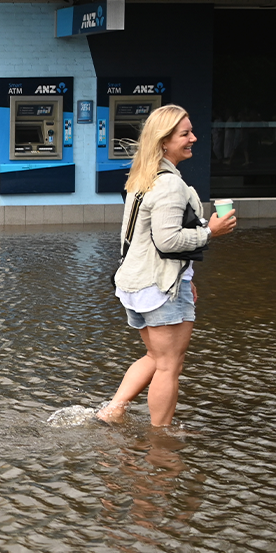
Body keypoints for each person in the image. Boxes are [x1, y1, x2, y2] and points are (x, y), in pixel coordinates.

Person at [97, 104, 236, 427]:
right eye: (184, 134)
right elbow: (168, 241)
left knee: (156, 357)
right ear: (163, 142)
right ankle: (162, 437)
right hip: (158, 287)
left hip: (138, 282)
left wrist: (185, 276)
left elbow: (141, 238)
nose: (194, 138)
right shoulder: (171, 184)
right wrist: (210, 232)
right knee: (169, 364)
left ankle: (113, 410)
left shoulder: (143, 176)